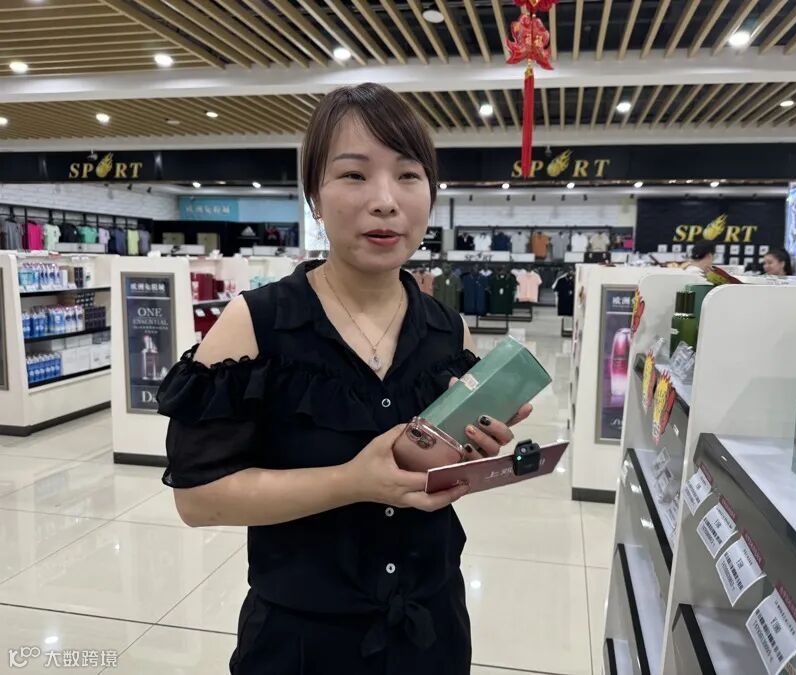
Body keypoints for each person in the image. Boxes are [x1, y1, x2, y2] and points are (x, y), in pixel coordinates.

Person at [155, 83, 533, 675]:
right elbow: (197, 499)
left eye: (408, 176)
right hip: (301, 643)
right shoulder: (254, 323)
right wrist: (351, 482)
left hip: (431, 630)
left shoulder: (448, 329)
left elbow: (429, 474)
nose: (385, 201)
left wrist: (469, 455)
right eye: (354, 175)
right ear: (314, 193)